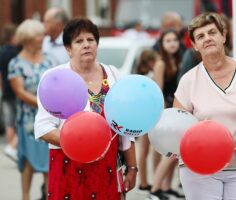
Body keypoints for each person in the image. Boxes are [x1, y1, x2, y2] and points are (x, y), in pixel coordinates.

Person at [34, 17, 137, 200]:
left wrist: (132, 167)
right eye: (79, 41)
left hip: (107, 167)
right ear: (68, 49)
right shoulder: (55, 79)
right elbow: (43, 128)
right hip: (69, 166)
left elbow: (125, 127)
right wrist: (81, 144)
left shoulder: (113, 74)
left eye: (90, 40)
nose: (86, 45)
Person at [174, 12, 236, 200]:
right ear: (194, 45)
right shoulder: (188, 81)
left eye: (212, 32)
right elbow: (178, 126)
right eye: (200, 36)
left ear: (223, 36)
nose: (207, 38)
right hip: (200, 170)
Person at [8, 19, 57, 200]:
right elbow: (20, 92)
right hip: (28, 121)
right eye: (38, 35)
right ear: (27, 38)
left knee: (49, 161)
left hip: (52, 119)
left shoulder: (50, 59)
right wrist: (44, 104)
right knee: (28, 162)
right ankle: (26, 196)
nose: (42, 38)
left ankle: (49, 195)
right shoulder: (16, 63)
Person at [148, 29, 184, 200]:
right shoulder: (161, 63)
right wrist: (163, 115)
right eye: (168, 40)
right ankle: (154, 189)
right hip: (166, 112)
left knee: (175, 153)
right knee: (170, 152)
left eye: (174, 40)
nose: (172, 43)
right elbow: (158, 90)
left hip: (176, 109)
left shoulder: (177, 60)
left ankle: (167, 187)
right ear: (161, 44)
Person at [135, 49, 158, 193]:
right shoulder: (150, 76)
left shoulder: (140, 77)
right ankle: (143, 182)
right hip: (147, 115)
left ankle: (143, 181)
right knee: (144, 149)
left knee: (144, 149)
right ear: (150, 62)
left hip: (142, 114)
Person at [0, 24, 19, 162]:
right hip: (18, 92)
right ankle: (14, 148)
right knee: (19, 121)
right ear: (13, 37)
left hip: (6, 92)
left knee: (9, 123)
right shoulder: (17, 53)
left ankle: (10, 147)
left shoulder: (1, 53)